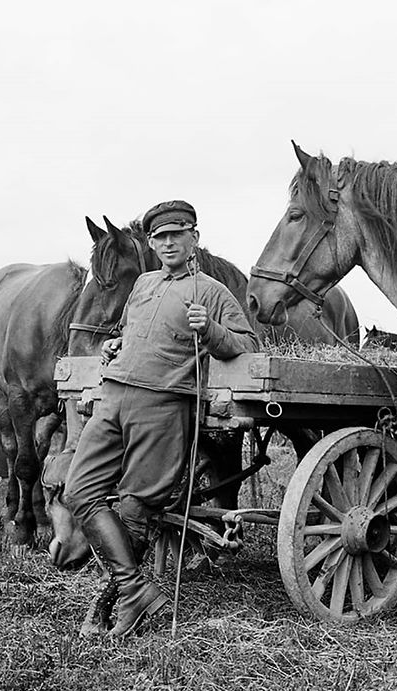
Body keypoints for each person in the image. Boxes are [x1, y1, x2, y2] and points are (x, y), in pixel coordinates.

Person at [64, 200, 259, 638]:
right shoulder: (144, 285)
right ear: (151, 243)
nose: (168, 243)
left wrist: (209, 328)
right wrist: (116, 346)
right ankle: (137, 589)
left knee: (134, 507)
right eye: (160, 237)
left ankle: (117, 599)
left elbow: (247, 344)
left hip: (163, 404)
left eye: (177, 234)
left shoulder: (211, 290)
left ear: (194, 237)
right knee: (79, 491)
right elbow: (131, 331)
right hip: (113, 396)